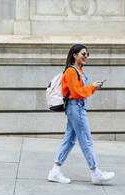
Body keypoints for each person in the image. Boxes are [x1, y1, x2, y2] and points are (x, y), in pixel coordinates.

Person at [48, 44, 115, 184]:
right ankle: (95, 172)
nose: (86, 56)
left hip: (78, 107)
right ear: (74, 55)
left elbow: (81, 91)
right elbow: (76, 93)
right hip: (76, 108)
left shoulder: (79, 71)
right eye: (83, 53)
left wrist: (94, 87)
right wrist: (92, 87)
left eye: (87, 54)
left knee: (70, 140)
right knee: (86, 139)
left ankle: (55, 171)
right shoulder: (72, 71)